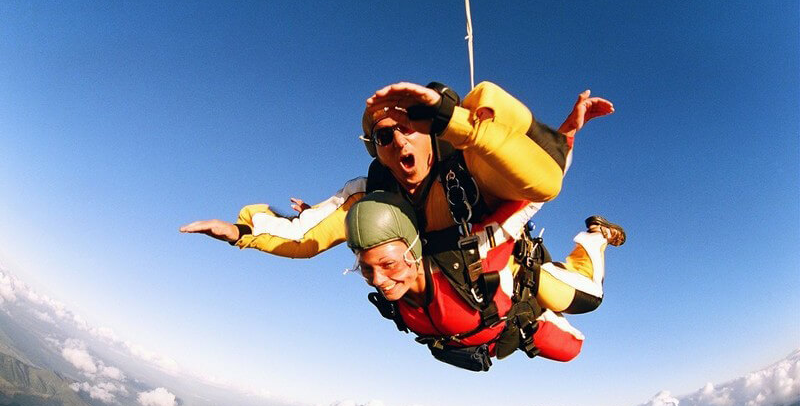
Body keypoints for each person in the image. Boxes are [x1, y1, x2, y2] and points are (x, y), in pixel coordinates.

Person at [180, 81, 616, 316]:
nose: (399, 139)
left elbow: (542, 178)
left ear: (434, 130)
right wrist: (240, 231)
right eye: (384, 135)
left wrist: (565, 130)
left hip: (511, 266)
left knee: (584, 303)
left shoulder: (467, 167)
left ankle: (593, 238)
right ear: (374, 147)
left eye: (414, 124)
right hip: (455, 286)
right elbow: (304, 238)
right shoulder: (370, 195)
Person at [344, 191, 625, 371]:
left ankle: (596, 237)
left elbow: (532, 196)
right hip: (503, 333)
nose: (378, 280)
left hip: (524, 289)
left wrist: (565, 134)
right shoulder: (395, 293)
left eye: (388, 265)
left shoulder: (470, 256)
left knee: (590, 297)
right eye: (365, 270)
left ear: (412, 251)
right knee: (571, 350)